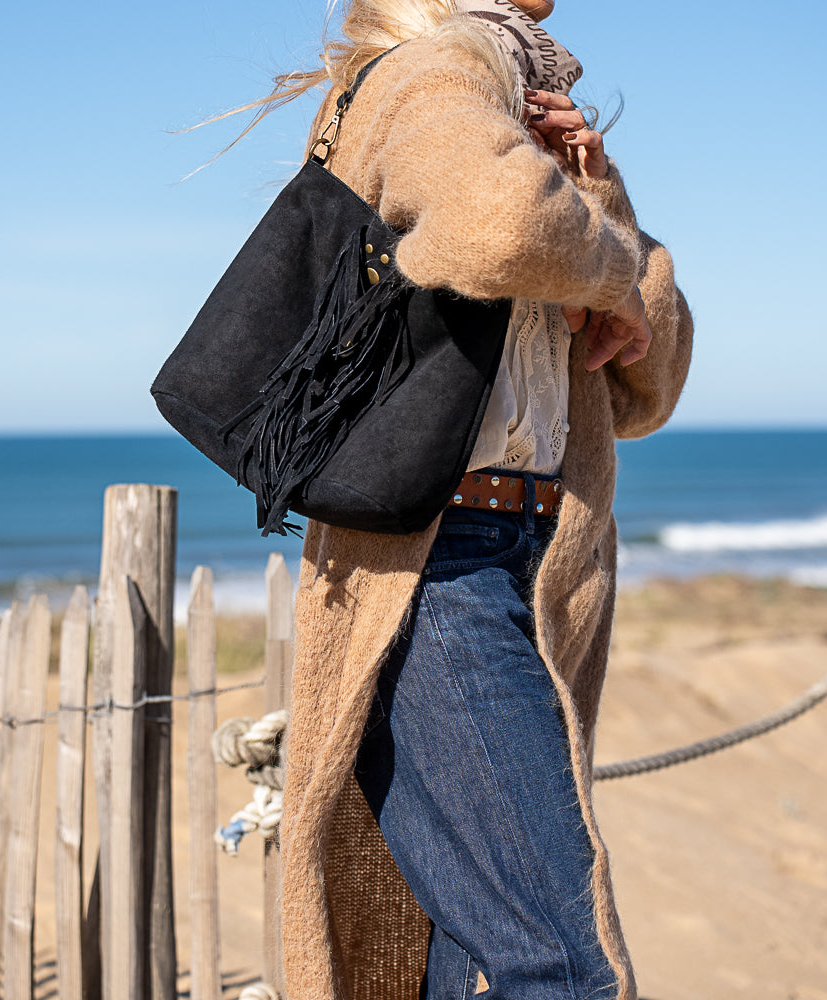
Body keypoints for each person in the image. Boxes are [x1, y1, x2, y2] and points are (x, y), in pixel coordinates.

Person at [227, 1, 692, 997]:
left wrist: (595, 199)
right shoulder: (437, 70)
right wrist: (602, 264)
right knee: (564, 966)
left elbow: (644, 388)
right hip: (436, 561)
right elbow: (494, 227)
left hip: (529, 558)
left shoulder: (529, 107)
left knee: (474, 963)